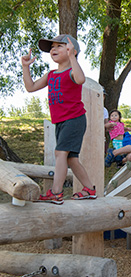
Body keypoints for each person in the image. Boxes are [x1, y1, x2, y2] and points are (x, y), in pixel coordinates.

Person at [21, 34, 96, 205]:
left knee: (60, 153)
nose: (53, 49)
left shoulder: (71, 72)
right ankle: (89, 189)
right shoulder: (51, 74)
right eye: (52, 47)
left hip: (74, 119)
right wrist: (26, 67)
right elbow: (30, 87)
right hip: (61, 121)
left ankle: (56, 193)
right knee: (71, 158)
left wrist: (72, 57)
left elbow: (80, 79)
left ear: (72, 50)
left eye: (59, 46)